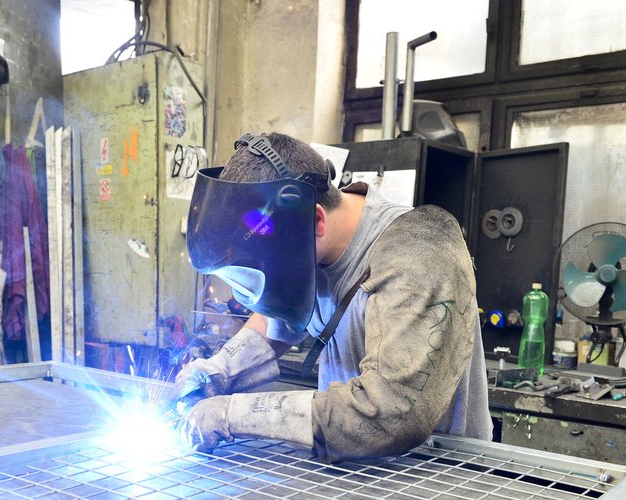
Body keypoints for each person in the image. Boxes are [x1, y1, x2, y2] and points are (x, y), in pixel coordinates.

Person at [174, 132, 492, 462]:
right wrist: (217, 371)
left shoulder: (420, 252)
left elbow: (388, 413)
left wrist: (233, 415)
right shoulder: (308, 250)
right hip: (352, 468)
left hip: (434, 477)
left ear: (315, 221)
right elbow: (276, 317)